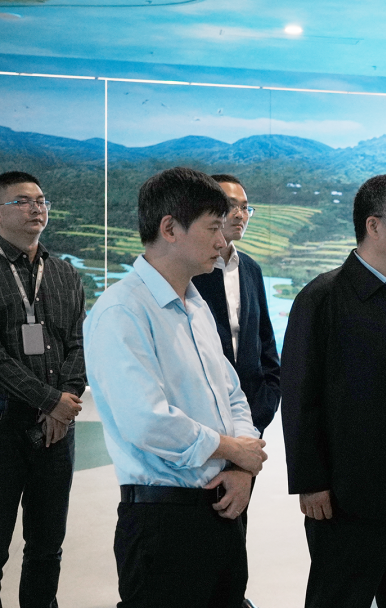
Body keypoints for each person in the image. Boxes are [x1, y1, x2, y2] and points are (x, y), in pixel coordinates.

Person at [84, 167, 268, 608]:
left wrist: (241, 465)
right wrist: (232, 448)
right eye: (212, 228)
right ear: (169, 228)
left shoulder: (195, 305)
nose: (222, 241)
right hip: (162, 520)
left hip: (222, 507)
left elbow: (233, 394)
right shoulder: (121, 311)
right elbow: (146, 421)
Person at [280, 173, 386, 608]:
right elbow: (300, 397)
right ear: (373, 225)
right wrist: (311, 482)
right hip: (355, 485)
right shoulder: (324, 297)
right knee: (341, 596)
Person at [0, 171, 86, 608]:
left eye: (41, 200)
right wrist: (50, 401)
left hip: (56, 433)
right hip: (4, 427)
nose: (36, 207)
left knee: (47, 547)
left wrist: (63, 405)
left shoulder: (64, 273)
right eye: (22, 201)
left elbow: (80, 343)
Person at [192, 174, 281, 437]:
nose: (240, 215)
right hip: (201, 422)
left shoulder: (251, 269)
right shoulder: (190, 270)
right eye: (231, 205)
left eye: (245, 207)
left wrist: (267, 403)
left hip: (252, 419)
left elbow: (265, 342)